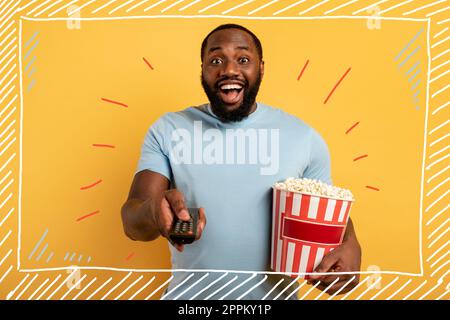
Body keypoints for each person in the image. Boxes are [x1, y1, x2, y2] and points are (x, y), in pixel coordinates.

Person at [121, 24, 361, 300]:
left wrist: (351, 242)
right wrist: (154, 210)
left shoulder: (303, 137)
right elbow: (132, 224)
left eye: (243, 59)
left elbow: (327, 206)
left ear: (261, 67)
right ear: (203, 70)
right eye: (216, 60)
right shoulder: (168, 129)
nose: (229, 70)